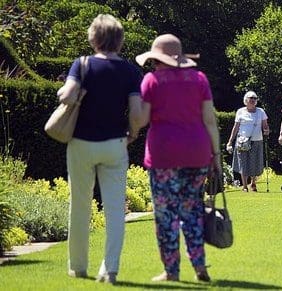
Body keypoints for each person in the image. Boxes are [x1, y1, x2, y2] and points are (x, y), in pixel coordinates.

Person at [60, 14, 143, 284]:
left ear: (93, 38)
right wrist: (134, 132)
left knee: (80, 206)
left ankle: (78, 267)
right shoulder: (130, 71)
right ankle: (110, 269)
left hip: (81, 143)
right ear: (119, 40)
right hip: (115, 144)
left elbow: (68, 94)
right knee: (115, 209)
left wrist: (65, 92)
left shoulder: (82, 65)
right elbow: (137, 113)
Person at [132, 34, 220, 283]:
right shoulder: (200, 79)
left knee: (166, 215)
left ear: (157, 59)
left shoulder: (151, 81)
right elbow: (210, 120)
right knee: (192, 211)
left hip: (164, 155)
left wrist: (131, 127)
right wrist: (216, 156)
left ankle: (171, 271)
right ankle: (200, 266)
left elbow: (142, 119)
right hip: (197, 153)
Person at [226, 91, 270, 192]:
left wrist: (266, 130)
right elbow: (236, 127)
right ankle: (245, 186)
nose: (253, 100)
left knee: (254, 162)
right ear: (246, 100)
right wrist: (230, 141)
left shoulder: (261, 111)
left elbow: (265, 125)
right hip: (242, 141)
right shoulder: (240, 111)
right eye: (251, 98)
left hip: (256, 140)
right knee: (243, 163)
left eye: (255, 98)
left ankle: (253, 183)